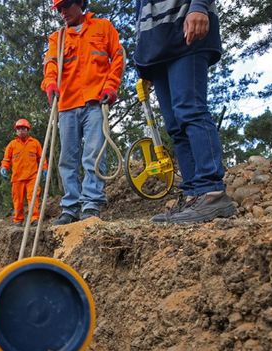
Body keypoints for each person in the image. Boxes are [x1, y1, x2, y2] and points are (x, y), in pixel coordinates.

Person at [134, 0, 236, 223]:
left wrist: (199, 6)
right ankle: (192, 195)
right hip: (157, 48)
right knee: (174, 125)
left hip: (185, 29)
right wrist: (144, 58)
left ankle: (212, 191)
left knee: (190, 111)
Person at [42, 0, 124, 226]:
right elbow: (50, 64)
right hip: (67, 105)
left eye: (66, 5)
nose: (62, 11)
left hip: (95, 102)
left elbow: (117, 58)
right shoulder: (57, 38)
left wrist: (111, 87)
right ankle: (70, 209)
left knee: (94, 155)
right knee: (67, 159)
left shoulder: (103, 27)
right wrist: (50, 84)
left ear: (80, 3)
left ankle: (91, 205)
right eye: (58, 8)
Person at [0, 119, 48, 227]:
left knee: (33, 198)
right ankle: (18, 220)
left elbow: (41, 158)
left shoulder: (35, 143)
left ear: (28, 130)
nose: (21, 131)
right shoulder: (12, 145)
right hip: (17, 178)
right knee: (18, 201)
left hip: (32, 177)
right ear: (16, 131)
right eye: (19, 129)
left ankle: (34, 219)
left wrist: (45, 169)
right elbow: (6, 160)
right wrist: (4, 168)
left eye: (23, 129)